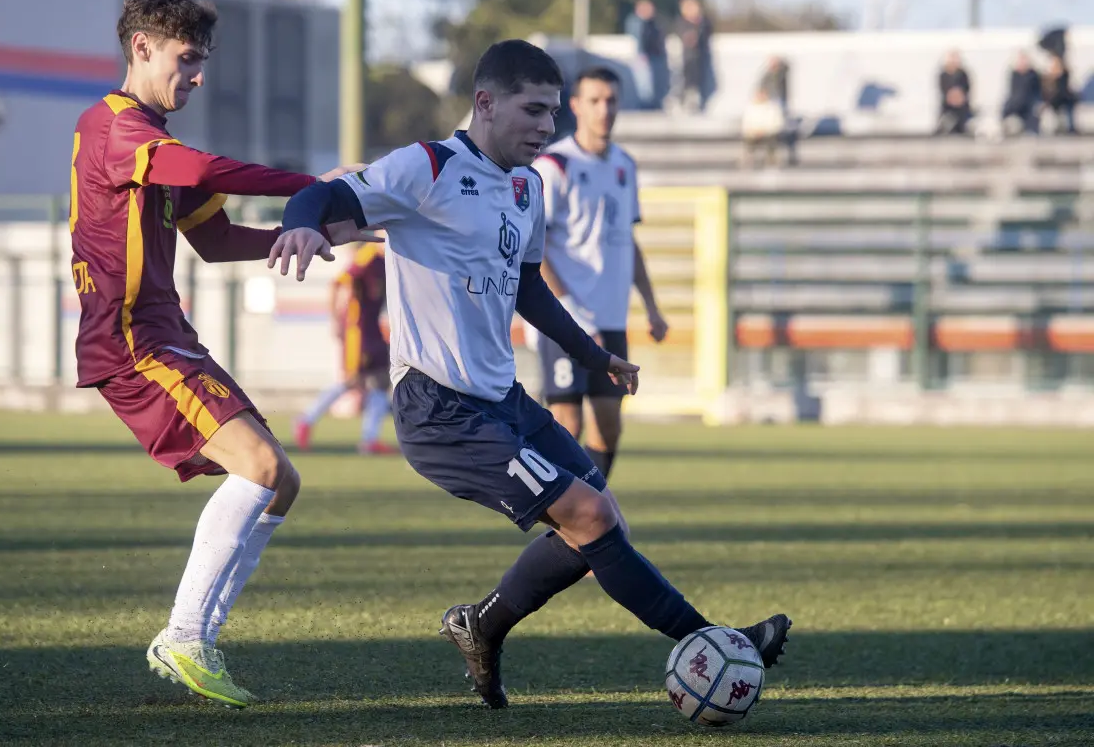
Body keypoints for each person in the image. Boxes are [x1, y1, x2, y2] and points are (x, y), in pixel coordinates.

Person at [268, 39, 791, 709]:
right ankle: (714, 640)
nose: (548, 128)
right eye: (535, 110)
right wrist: (303, 227)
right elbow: (324, 193)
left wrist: (596, 353)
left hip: (504, 399)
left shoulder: (527, 184)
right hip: (439, 408)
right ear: (486, 103)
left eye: (554, 114)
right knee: (590, 513)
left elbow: (529, 289)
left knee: (603, 526)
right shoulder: (426, 166)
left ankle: (480, 625)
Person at [69, 0, 372, 708]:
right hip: (135, 341)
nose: (198, 75)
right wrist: (312, 187)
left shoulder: (154, 145)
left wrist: (308, 230)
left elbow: (215, 238)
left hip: (169, 335)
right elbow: (203, 170)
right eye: (187, 58)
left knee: (281, 480)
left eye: (202, 60)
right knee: (262, 465)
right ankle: (183, 635)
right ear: (142, 48)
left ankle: (195, 633)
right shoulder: (116, 129)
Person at [531, 66, 668, 526]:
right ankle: (577, 532)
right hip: (565, 319)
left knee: (609, 427)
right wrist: (564, 306)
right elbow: (538, 246)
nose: (605, 109)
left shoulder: (624, 166)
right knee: (567, 425)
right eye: (595, 100)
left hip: (610, 319)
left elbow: (628, 242)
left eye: (612, 100)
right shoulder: (554, 165)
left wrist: (651, 306)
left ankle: (582, 522)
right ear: (575, 106)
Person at [294, 243, 397, 454]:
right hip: (358, 332)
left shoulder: (389, 259)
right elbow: (338, 282)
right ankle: (306, 419)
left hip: (373, 330)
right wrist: (335, 320)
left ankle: (369, 439)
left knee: (380, 382)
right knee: (351, 380)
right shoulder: (368, 254)